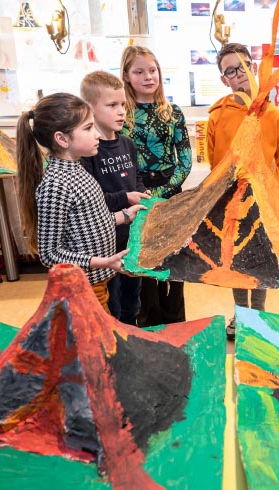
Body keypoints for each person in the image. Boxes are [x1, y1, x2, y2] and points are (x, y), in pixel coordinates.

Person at [15, 93, 145, 312]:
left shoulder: (78, 171)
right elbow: (50, 254)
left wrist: (124, 216)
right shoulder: (56, 185)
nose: (96, 135)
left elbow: (87, 223)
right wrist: (104, 262)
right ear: (62, 139)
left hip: (98, 282)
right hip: (82, 287)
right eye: (87, 129)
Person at [206, 42, 279, 339]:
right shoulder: (218, 115)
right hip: (230, 202)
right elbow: (213, 159)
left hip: (263, 201)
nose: (238, 74)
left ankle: (258, 316)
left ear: (254, 68)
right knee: (235, 261)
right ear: (224, 79)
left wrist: (267, 191)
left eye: (242, 66)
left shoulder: (274, 115)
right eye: (230, 71)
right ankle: (241, 315)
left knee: (260, 261)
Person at [120, 45, 192, 328]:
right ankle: (148, 325)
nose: (148, 77)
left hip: (170, 196)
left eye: (152, 70)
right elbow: (121, 157)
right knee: (145, 268)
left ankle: (177, 325)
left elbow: (184, 160)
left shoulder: (172, 112)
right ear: (126, 76)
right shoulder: (122, 113)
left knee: (175, 266)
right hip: (136, 195)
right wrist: (141, 196)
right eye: (139, 72)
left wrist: (163, 193)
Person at [80, 70, 150, 325]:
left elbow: (137, 178)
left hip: (132, 239)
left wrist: (142, 192)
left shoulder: (128, 144)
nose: (121, 111)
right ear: (89, 109)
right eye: (111, 105)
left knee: (133, 300)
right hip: (105, 243)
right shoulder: (88, 151)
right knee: (113, 304)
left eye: (122, 104)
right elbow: (94, 203)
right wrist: (126, 197)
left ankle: (131, 341)